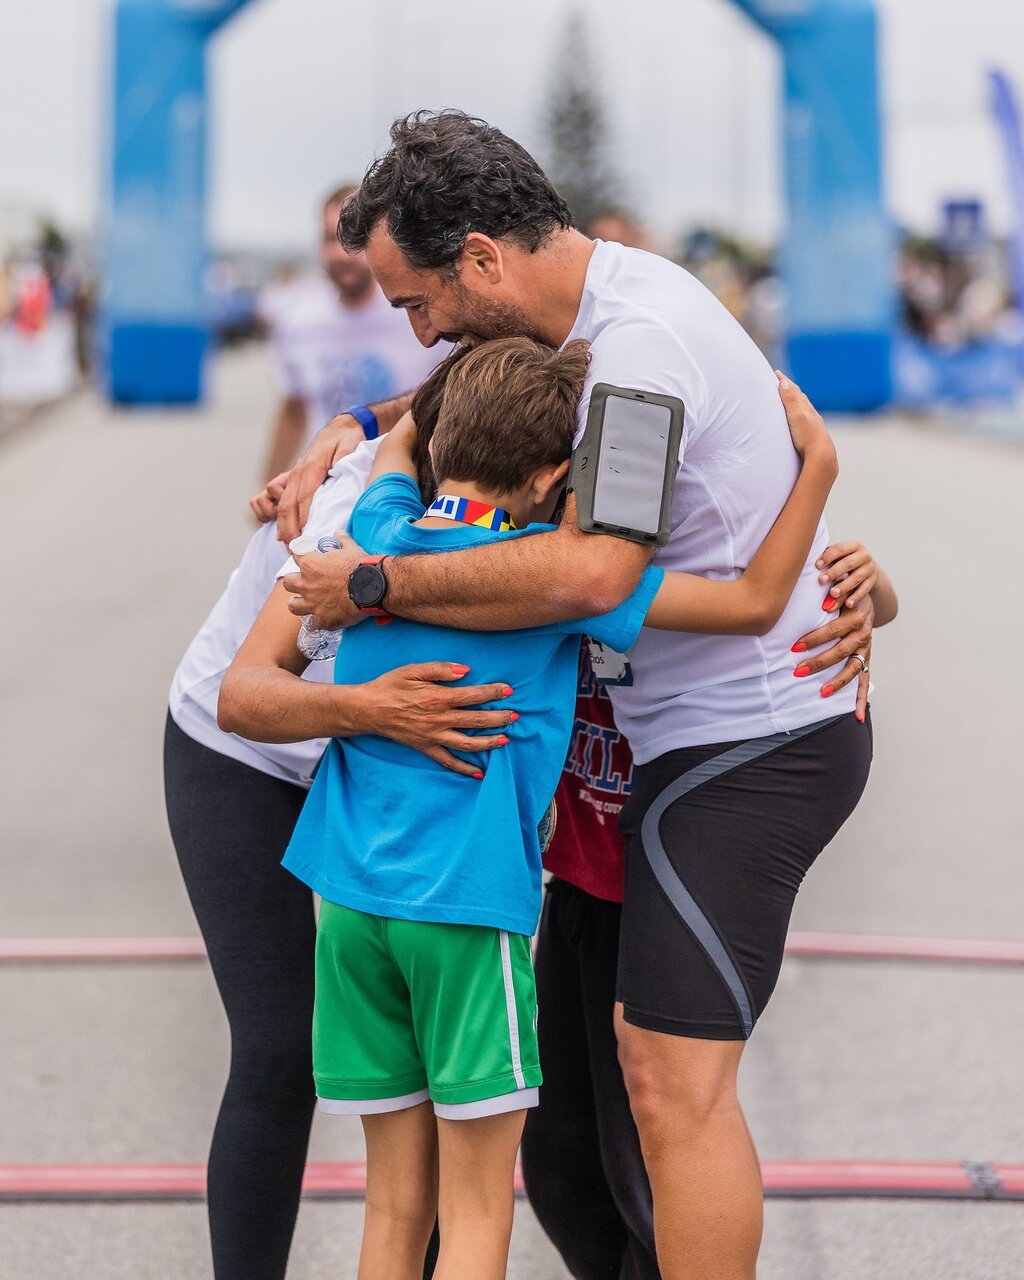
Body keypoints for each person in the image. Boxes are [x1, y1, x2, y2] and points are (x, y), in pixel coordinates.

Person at [276, 110, 882, 1280]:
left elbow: (596, 570)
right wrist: (355, 424)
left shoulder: (641, 349)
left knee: (665, 1081)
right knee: (560, 1141)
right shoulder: (590, 313)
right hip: (648, 746)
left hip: (753, 741)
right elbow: (455, 403)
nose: (422, 330)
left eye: (418, 301)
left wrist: (373, 578)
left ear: (484, 260)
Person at [165, 351, 521, 1280]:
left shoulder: (527, 503)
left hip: (371, 765)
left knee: (451, 1077)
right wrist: (375, 709)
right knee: (280, 1046)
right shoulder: (346, 511)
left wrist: (846, 581)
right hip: (244, 749)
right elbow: (249, 698)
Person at [524, 540, 898, 1280]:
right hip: (576, 881)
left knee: (647, 1167)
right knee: (560, 1169)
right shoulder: (566, 550)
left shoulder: (717, 542)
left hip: (656, 889)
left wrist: (868, 590)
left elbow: (849, 593)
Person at [259, 184, 446, 485]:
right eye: (330, 238)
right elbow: (294, 409)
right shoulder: (300, 323)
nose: (341, 254)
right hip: (324, 493)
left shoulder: (418, 314)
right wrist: (268, 483)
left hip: (403, 495)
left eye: (353, 240)